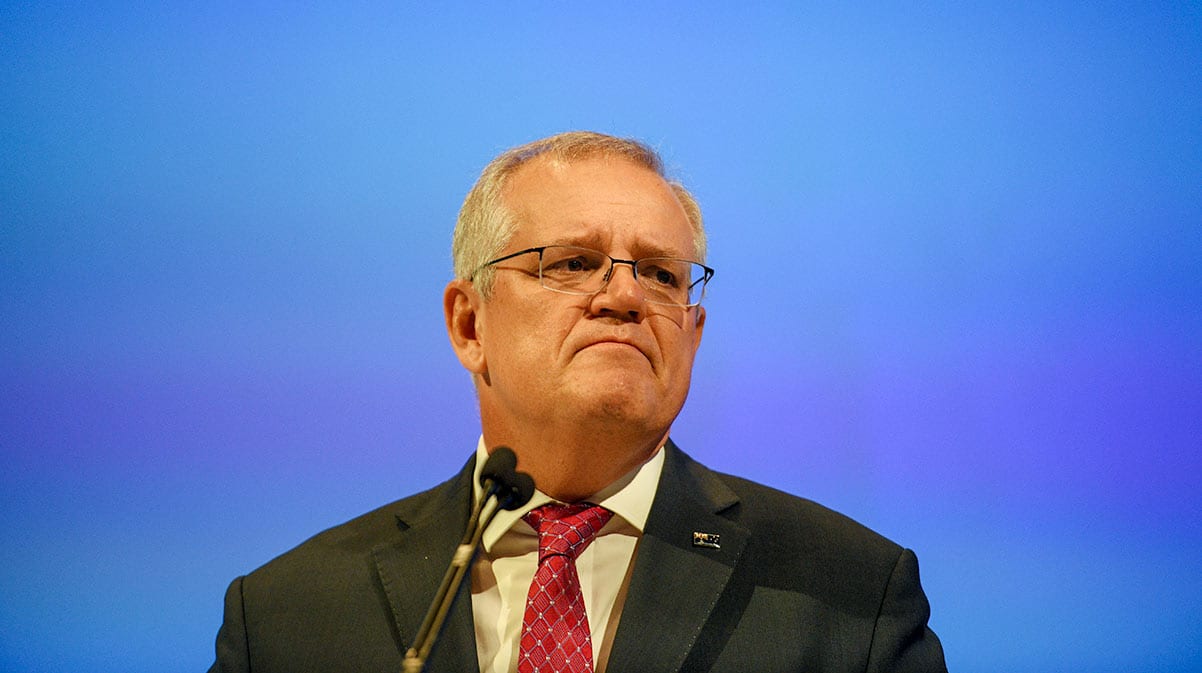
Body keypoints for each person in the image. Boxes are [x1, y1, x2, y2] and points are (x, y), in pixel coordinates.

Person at [208, 131, 947, 672]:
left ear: (691, 334)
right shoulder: (287, 616)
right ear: (470, 324)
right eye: (573, 262)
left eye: (661, 274)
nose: (625, 295)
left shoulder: (851, 599)